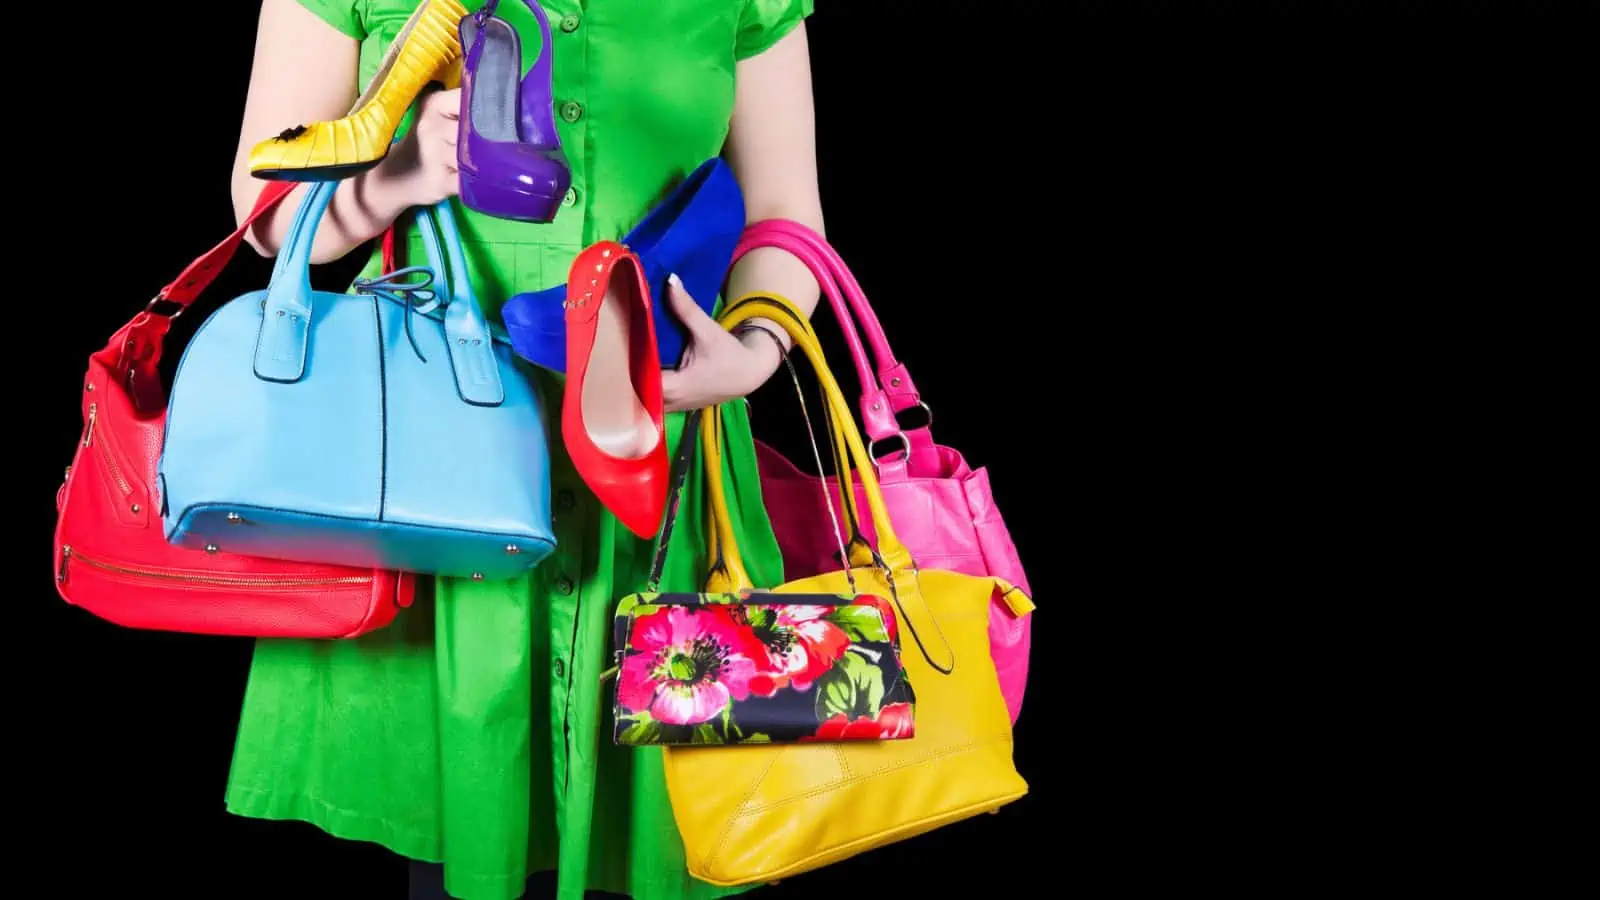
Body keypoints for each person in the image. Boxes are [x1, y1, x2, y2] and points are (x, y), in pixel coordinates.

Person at [224, 2, 824, 899]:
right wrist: (397, 176)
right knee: (457, 834)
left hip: (669, 471)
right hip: (434, 475)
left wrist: (754, 351)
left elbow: (784, 213)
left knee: (681, 834)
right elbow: (264, 214)